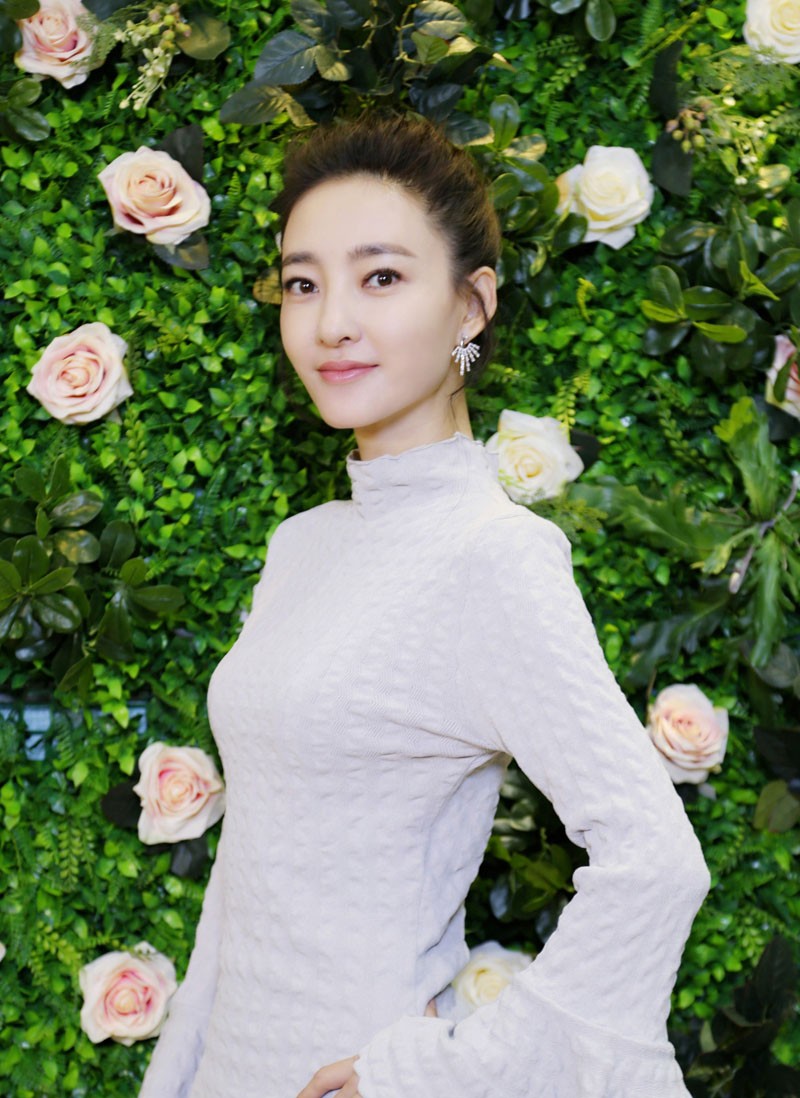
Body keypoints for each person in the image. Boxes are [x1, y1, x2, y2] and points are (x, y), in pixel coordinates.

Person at [138, 113, 710, 1098]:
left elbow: (655, 863)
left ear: (470, 306)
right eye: (303, 283)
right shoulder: (303, 544)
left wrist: (441, 1074)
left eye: (381, 278)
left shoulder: (493, 558)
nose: (331, 323)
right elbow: (249, 872)